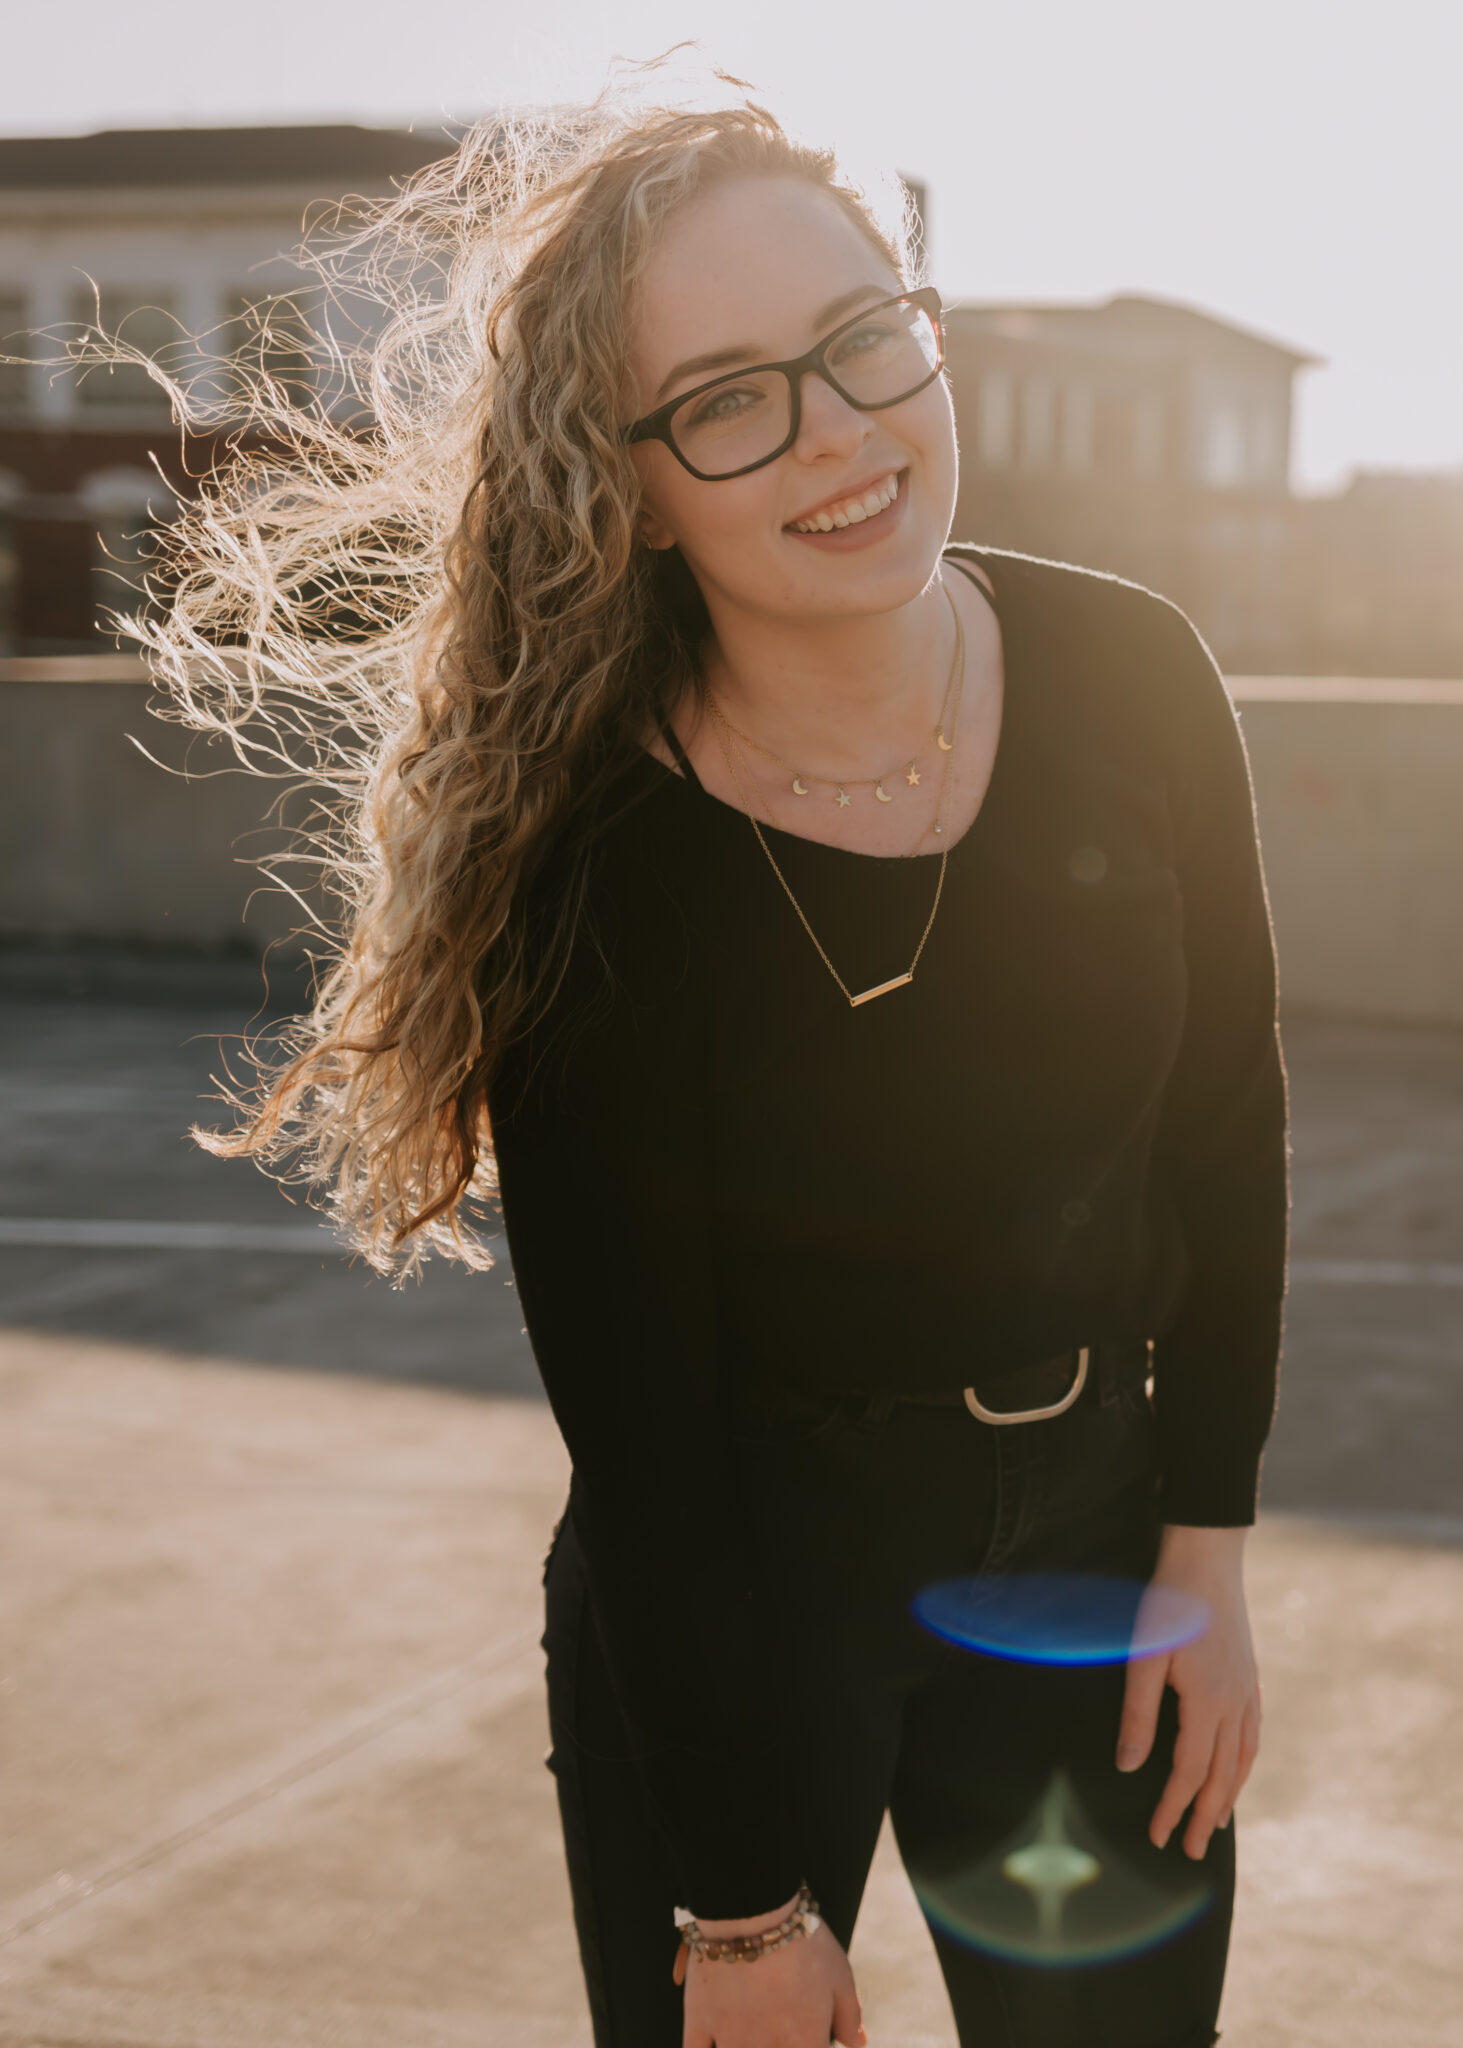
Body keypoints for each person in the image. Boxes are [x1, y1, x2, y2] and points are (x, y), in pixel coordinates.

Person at [137, 78, 1288, 2048]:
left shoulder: (1133, 670)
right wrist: (744, 1907)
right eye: (733, 397)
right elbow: (650, 1439)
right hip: (745, 1595)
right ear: (631, 473)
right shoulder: (587, 861)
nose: (841, 433)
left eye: (865, 341)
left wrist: (1211, 1535)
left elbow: (1225, 1119)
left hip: (1098, 1550)